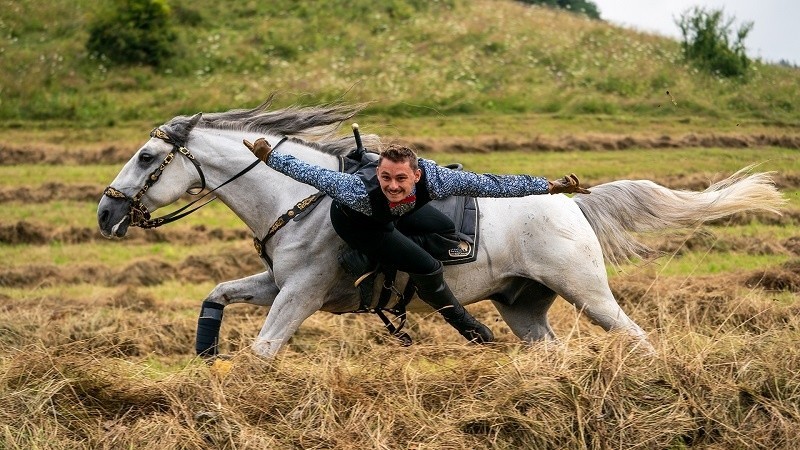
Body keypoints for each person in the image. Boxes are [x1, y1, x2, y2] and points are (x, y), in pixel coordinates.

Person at [243, 137, 590, 343]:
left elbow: (492, 184)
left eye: (401, 179)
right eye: (385, 178)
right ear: (377, 174)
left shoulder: (437, 180)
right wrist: (270, 156)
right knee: (427, 265)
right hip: (363, 225)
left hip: (402, 211)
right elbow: (309, 172)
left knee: (441, 224)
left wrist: (550, 186)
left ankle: (413, 246)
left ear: (418, 175)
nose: (392, 185)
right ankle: (461, 321)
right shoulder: (354, 189)